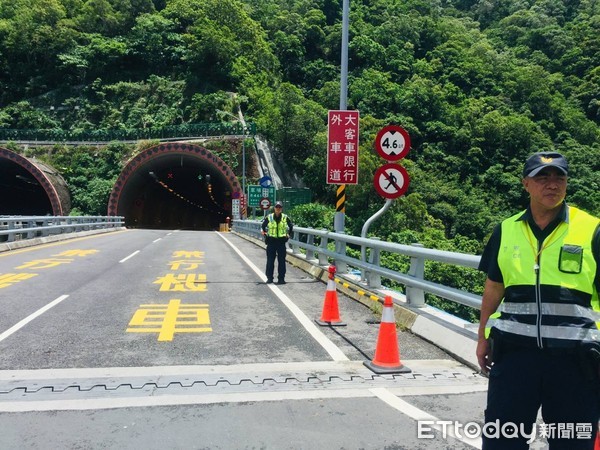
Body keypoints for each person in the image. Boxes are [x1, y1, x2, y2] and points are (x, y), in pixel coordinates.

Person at [476, 151, 600, 449]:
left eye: (559, 177)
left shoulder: (592, 228)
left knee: (571, 443)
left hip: (577, 360)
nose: (552, 184)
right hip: (515, 357)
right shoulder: (506, 229)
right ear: (526, 184)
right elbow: (494, 286)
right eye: (542, 178)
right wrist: (482, 337)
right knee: (502, 441)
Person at [261, 201, 293, 284]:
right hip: (271, 242)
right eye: (277, 207)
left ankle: (281, 278)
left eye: (280, 207)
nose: (278, 209)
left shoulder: (285, 217)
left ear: (281, 209)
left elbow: (291, 226)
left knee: (281, 261)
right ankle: (269, 278)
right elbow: (263, 226)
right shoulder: (269, 217)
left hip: (281, 242)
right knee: (270, 261)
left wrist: (288, 234)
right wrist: (265, 235)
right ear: (274, 208)